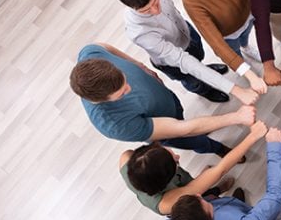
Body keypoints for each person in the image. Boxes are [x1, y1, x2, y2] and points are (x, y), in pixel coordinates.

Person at [70, 43, 255, 156]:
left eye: (125, 80)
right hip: (167, 130)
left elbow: (105, 46)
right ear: (102, 100)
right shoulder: (115, 124)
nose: (130, 88)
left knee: (183, 118)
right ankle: (218, 150)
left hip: (167, 102)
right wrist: (236, 117)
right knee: (194, 140)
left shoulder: (90, 55)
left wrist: (140, 66)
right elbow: (184, 129)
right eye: (122, 93)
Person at [153, 122, 281, 220]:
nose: (199, 195)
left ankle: (234, 204)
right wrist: (275, 146)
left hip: (227, 210)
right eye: (203, 202)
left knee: (222, 202)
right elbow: (275, 195)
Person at [114, 0, 258, 105]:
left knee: (199, 57)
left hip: (186, 33)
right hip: (172, 62)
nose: (156, 11)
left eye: (155, 1)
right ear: (132, 8)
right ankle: (206, 91)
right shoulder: (139, 32)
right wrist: (236, 90)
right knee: (193, 80)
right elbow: (184, 61)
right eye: (146, 11)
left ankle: (205, 69)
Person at [181, 0, 267, 95]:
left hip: (246, 15)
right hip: (228, 35)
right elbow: (216, 43)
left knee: (245, 36)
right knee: (233, 50)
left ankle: (246, 48)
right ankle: (242, 62)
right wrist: (250, 75)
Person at [119, 134, 254, 215]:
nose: (178, 156)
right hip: (187, 203)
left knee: (200, 186)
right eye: (174, 161)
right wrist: (253, 136)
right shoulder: (167, 203)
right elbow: (220, 170)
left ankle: (208, 186)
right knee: (207, 201)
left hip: (183, 186)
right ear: (165, 179)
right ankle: (226, 199)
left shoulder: (127, 158)